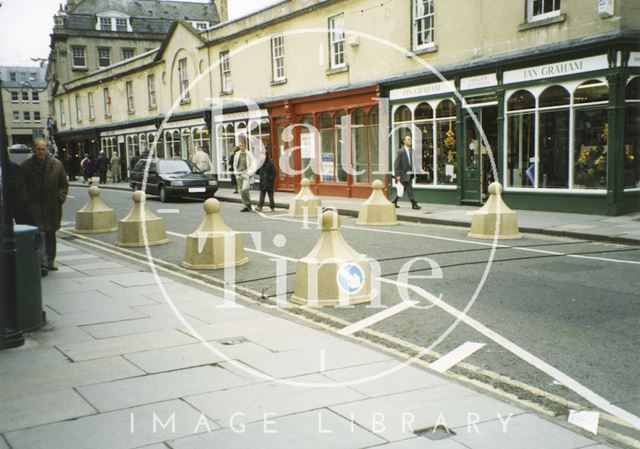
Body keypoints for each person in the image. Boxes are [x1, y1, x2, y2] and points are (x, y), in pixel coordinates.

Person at [20, 138, 69, 274]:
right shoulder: (26, 166)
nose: (41, 152)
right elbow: (21, 187)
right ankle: (43, 263)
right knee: (40, 234)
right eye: (38, 149)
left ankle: (50, 261)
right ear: (34, 150)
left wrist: (60, 198)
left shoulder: (57, 165)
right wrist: (27, 202)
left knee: (50, 234)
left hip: (52, 206)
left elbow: (63, 184)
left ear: (47, 149)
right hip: (34, 206)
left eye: (43, 149)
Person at [390, 134, 421, 210]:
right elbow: (396, 164)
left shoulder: (412, 150)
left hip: (409, 174)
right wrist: (397, 175)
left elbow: (414, 162)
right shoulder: (400, 151)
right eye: (408, 139)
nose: (410, 141)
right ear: (404, 141)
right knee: (409, 188)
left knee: (403, 189)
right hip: (402, 174)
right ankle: (414, 204)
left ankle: (393, 202)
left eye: (410, 139)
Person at [232, 143, 257, 212]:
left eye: (242, 145)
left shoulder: (249, 154)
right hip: (239, 174)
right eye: (240, 146)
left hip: (246, 174)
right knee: (242, 191)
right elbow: (234, 164)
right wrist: (235, 172)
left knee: (245, 189)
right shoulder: (237, 154)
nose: (241, 147)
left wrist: (250, 173)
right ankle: (246, 205)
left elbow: (253, 164)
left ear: (245, 146)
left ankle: (248, 204)